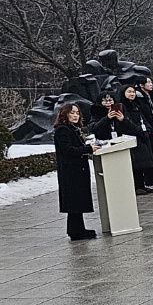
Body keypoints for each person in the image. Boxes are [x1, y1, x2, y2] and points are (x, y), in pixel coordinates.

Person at [53, 101, 98, 240]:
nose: (75, 115)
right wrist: (88, 149)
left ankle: (78, 229)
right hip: (70, 172)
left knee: (77, 202)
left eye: (77, 113)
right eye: (72, 112)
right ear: (64, 114)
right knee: (74, 202)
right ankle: (75, 231)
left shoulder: (71, 128)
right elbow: (68, 150)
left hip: (77, 170)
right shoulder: (62, 130)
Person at [117, 84, 153, 194]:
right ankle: (136, 186)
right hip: (132, 136)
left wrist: (148, 129)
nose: (132, 94)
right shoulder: (122, 106)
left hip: (141, 135)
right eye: (129, 92)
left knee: (143, 163)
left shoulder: (136, 105)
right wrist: (138, 129)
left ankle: (141, 184)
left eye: (133, 92)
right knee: (136, 164)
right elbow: (126, 122)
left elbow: (143, 119)